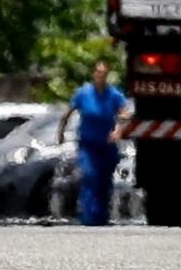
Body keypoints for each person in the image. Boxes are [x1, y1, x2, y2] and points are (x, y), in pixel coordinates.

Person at [57, 57, 134, 227]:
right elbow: (68, 113)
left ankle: (101, 216)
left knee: (104, 180)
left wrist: (118, 131)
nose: (101, 76)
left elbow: (125, 115)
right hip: (88, 144)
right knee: (90, 176)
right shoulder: (84, 93)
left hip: (106, 145)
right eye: (99, 73)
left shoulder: (113, 94)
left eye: (104, 74)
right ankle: (88, 216)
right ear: (94, 74)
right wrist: (61, 133)